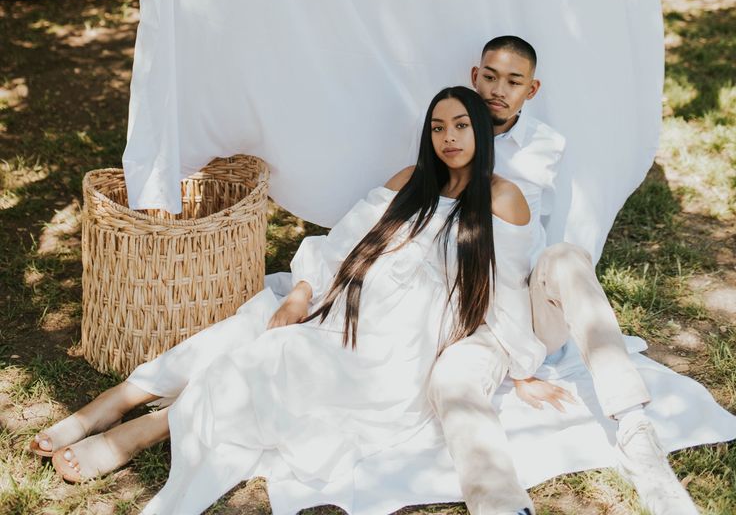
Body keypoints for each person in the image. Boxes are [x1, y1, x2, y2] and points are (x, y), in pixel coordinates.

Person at [31, 86, 543, 515]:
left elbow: (509, 290)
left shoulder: (503, 198)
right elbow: (340, 244)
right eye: (438, 127)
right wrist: (300, 293)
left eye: (461, 126)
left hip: (401, 345)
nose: (448, 138)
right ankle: (119, 400)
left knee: (276, 359)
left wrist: (520, 367)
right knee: (252, 327)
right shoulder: (409, 183)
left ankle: (148, 428)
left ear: (481, 130)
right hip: (346, 307)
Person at [439, 34, 698, 515]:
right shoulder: (446, 137)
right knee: (451, 379)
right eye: (490, 77)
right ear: (474, 77)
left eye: (513, 82)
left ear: (531, 91)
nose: (498, 90)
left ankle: (636, 434)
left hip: (529, 302)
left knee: (566, 257)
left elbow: (514, 251)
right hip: (473, 316)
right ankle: (501, 503)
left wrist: (524, 360)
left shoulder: (542, 147)